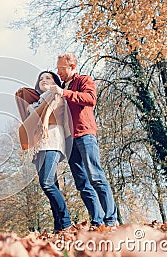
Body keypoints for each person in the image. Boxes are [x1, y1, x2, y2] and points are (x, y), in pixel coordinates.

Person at [49, 53, 118, 229]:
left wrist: (64, 93)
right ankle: (97, 220)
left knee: (96, 176)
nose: (59, 72)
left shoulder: (83, 80)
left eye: (61, 68)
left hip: (85, 135)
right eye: (57, 68)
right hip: (69, 141)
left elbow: (91, 99)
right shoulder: (61, 87)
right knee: (82, 183)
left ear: (72, 66)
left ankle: (111, 220)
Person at [16, 71, 73, 232]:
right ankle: (59, 226)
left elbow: (52, 106)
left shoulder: (55, 95)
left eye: (48, 77)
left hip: (53, 142)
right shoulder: (37, 102)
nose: (43, 80)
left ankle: (67, 223)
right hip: (40, 147)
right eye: (40, 78)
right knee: (51, 184)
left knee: (46, 183)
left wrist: (44, 118)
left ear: (55, 81)